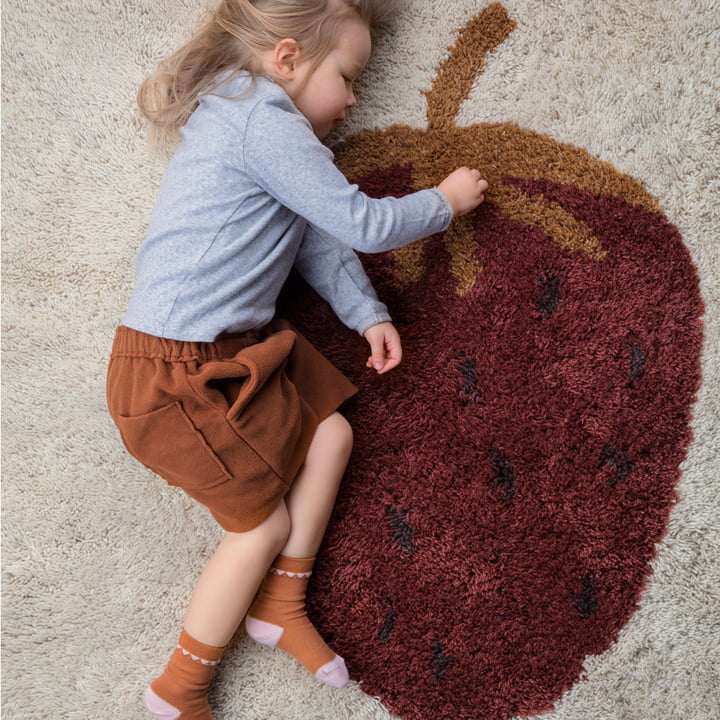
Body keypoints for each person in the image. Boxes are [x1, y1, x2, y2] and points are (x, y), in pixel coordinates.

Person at [106, 0, 488, 717]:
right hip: (173, 375)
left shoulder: (260, 125)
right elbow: (359, 223)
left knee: (333, 434)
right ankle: (177, 687)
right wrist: (444, 201)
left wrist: (367, 312)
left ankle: (281, 604)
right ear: (287, 59)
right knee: (261, 527)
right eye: (347, 77)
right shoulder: (261, 121)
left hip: (230, 353)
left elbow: (315, 236)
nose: (351, 100)